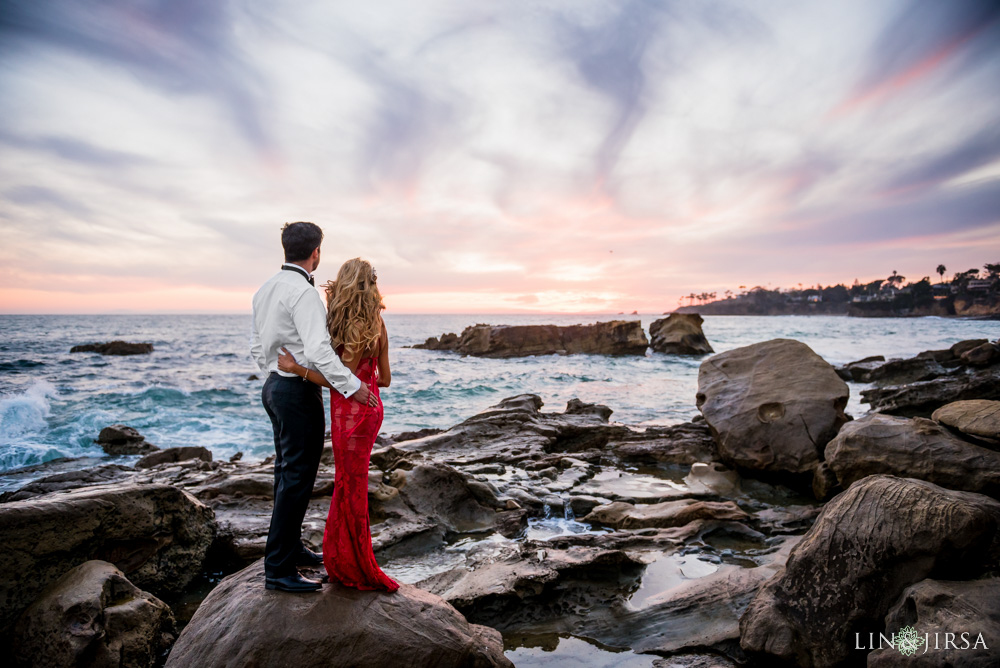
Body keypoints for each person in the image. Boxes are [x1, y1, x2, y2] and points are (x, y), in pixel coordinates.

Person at [250, 222, 378, 594]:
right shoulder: (302, 293)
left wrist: (273, 372)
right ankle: (277, 570)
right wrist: (352, 387)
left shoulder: (265, 289)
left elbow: (257, 345)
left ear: (285, 248)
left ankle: (288, 549)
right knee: (297, 478)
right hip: (296, 391)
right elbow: (320, 350)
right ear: (316, 252)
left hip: (274, 387)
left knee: (284, 473)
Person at [277, 257, 399, 592]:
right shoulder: (376, 323)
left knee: (349, 488)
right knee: (349, 486)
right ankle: (345, 561)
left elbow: (338, 380)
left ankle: (355, 566)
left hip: (353, 416)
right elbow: (384, 379)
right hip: (369, 411)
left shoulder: (356, 328)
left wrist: (294, 368)